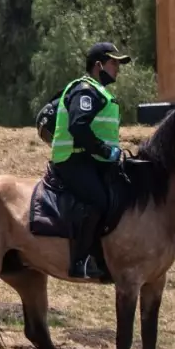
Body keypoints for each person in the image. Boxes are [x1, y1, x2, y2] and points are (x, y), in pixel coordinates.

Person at [48, 42, 131, 280]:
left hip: (91, 159)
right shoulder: (85, 90)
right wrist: (104, 151)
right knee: (98, 200)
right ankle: (80, 260)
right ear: (98, 66)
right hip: (72, 159)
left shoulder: (100, 92)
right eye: (113, 63)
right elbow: (78, 126)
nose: (117, 68)